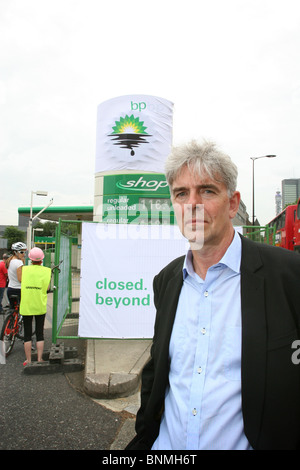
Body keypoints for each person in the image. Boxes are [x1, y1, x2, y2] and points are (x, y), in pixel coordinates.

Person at [126, 139, 300, 451]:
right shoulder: (166, 281)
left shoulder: (289, 276)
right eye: (181, 193)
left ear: (233, 203)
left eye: (206, 191)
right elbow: (159, 369)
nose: (192, 204)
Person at [19, 247, 51, 365]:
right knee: (39, 333)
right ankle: (39, 359)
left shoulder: (24, 269)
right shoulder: (47, 271)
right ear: (41, 260)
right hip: (39, 305)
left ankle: (28, 359)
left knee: (27, 334)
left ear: (30, 259)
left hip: (26, 304)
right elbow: (47, 288)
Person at [6, 242, 27, 307]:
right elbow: (20, 279)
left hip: (10, 289)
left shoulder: (10, 261)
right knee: (22, 311)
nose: (23, 254)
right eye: (21, 252)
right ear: (15, 252)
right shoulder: (19, 262)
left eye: (24, 252)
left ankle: (11, 316)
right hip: (19, 289)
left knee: (13, 309)